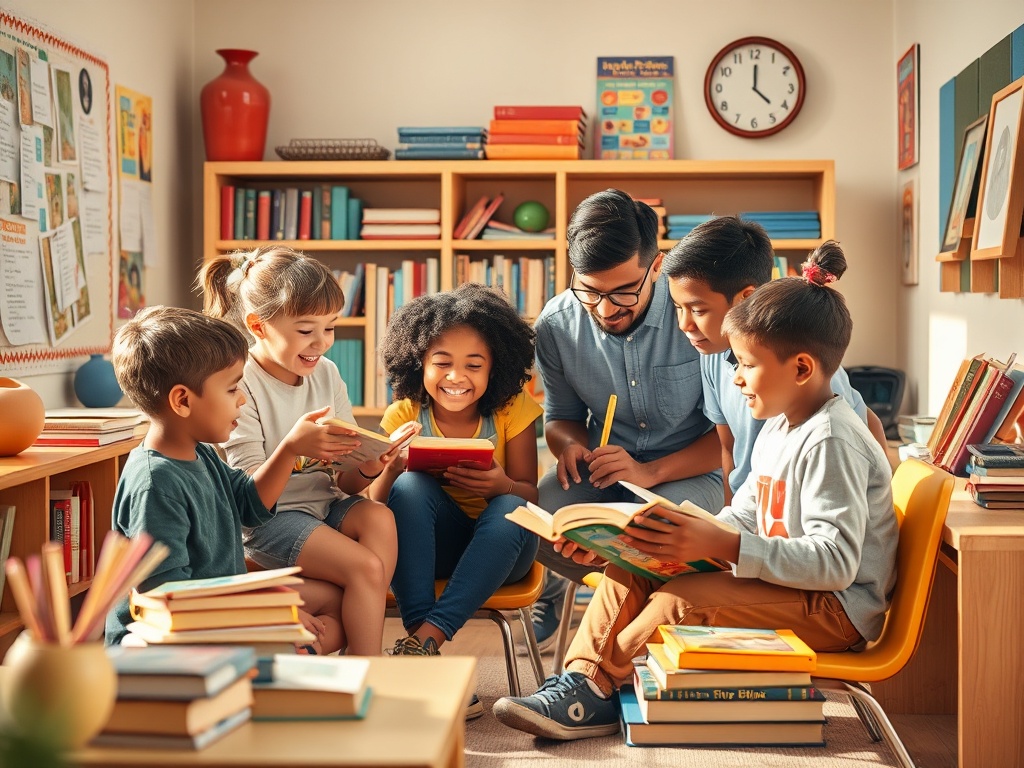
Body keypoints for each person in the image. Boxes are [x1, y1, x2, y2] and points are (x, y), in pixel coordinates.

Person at [493, 241, 898, 740]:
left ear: (800, 369)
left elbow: (836, 564)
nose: (738, 379)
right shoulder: (779, 426)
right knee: (633, 566)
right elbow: (746, 514)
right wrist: (656, 538)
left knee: (681, 599)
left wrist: (724, 546)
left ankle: (597, 689)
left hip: (835, 610)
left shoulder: (831, 439)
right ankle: (584, 682)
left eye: (747, 365)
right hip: (790, 586)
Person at [529, 189, 725, 647]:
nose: (605, 309)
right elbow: (560, 417)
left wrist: (649, 471)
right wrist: (570, 447)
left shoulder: (696, 319)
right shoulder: (557, 325)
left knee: (658, 532)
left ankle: (622, 644)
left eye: (622, 292)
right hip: (602, 474)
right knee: (530, 517)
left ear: (657, 266)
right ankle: (556, 593)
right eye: (589, 292)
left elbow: (727, 436)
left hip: (688, 473)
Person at [104, 306, 343, 650]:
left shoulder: (198, 452)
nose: (242, 398)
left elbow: (251, 505)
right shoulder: (155, 484)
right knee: (300, 635)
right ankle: (280, 663)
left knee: (333, 601)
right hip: (165, 637)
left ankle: (285, 659)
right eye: (232, 390)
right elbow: (165, 596)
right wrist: (265, 613)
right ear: (182, 401)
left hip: (214, 608)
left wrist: (290, 449)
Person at [202, 245, 397, 656]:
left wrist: (368, 465)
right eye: (306, 330)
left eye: (330, 327)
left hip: (324, 507)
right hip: (270, 521)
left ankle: (346, 653)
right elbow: (252, 499)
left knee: (379, 516)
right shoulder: (240, 383)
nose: (321, 343)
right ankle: (373, 667)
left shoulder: (326, 373)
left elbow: (345, 481)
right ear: (258, 326)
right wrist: (292, 447)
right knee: (366, 570)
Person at [372, 283, 542, 719]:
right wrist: (391, 463)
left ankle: (424, 642)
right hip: (430, 551)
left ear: (495, 367)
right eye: (441, 363)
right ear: (419, 363)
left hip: (504, 551)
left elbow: (530, 494)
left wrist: (500, 484)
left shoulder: (511, 408)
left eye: (474, 364)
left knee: (510, 507)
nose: (456, 377)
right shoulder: (405, 414)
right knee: (409, 489)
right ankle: (423, 648)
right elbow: (375, 508)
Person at [663, 216, 889, 504]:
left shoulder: (796, 366)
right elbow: (728, 450)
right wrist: (729, 523)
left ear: (746, 298)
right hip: (756, 507)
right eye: (677, 308)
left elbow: (865, 428)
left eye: (697, 310)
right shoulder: (711, 355)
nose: (684, 324)